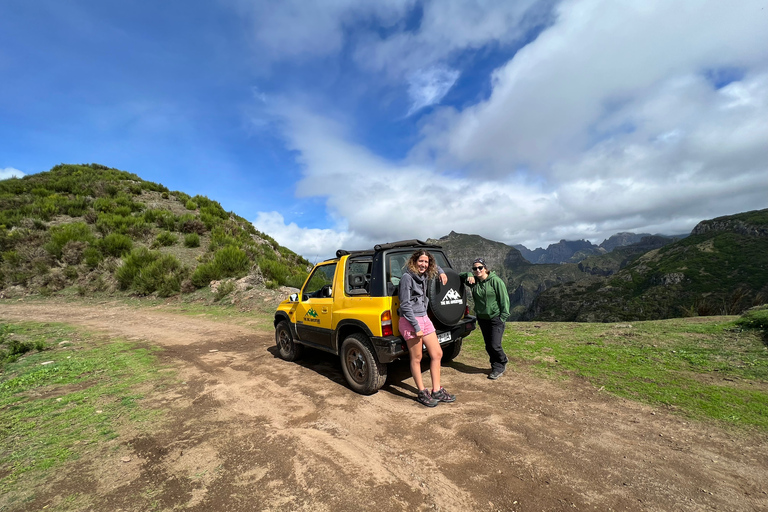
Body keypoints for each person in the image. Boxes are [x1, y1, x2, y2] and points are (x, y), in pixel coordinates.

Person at [398, 249, 456, 407]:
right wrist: (416, 326)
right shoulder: (407, 278)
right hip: (410, 321)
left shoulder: (424, 275)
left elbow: (436, 268)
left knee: (437, 353)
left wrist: (442, 272)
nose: (423, 264)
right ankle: (422, 392)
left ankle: (436, 390)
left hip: (424, 317)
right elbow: (405, 305)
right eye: (420, 261)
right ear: (414, 261)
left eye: (426, 262)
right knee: (416, 358)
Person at [461, 258, 510, 380]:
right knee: (488, 345)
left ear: (485, 268)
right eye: (474, 268)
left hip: (495, 318)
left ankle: (501, 362)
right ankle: (495, 366)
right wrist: (468, 274)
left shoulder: (496, 281)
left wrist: (503, 317)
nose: (477, 270)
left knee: (495, 345)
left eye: (480, 267)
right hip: (482, 319)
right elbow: (459, 276)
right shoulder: (473, 282)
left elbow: (504, 299)